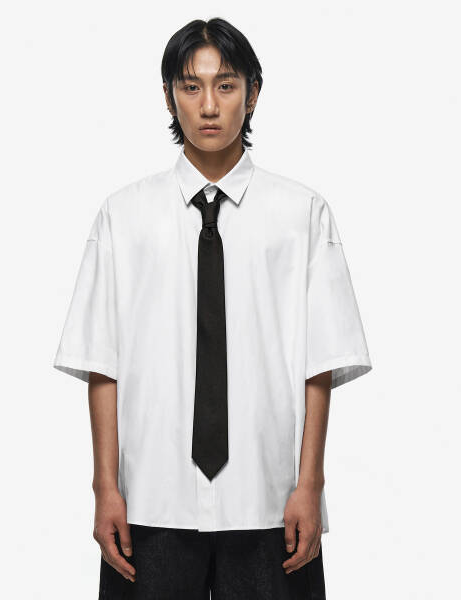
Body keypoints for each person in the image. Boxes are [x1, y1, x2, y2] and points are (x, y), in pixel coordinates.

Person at [53, 17, 372, 600]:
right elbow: (102, 361)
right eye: (190, 85)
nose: (208, 105)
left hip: (268, 499)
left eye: (225, 85)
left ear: (253, 93)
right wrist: (105, 487)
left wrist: (310, 485)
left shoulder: (302, 214)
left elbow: (320, 364)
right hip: (152, 500)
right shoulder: (123, 216)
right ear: (168, 95)